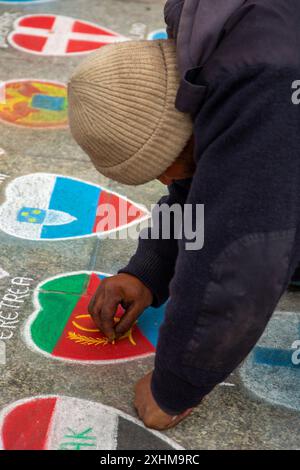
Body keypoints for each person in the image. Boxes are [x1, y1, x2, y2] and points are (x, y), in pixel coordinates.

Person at [68, 0, 300, 430]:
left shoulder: (262, 87)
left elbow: (241, 258)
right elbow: (199, 183)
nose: (163, 182)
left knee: (266, 223)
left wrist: (173, 387)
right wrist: (147, 270)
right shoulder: (211, 42)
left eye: (160, 168)